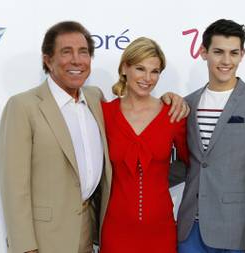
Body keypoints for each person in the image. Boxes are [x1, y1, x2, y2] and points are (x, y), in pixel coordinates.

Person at [0, 21, 188, 253]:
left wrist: (151, 180)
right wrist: (24, 247)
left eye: (155, 71)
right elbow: (14, 187)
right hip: (86, 232)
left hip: (123, 231)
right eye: (66, 52)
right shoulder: (100, 109)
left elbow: (191, 164)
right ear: (48, 60)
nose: (77, 60)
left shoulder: (95, 100)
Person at [176, 19, 245, 253]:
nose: (226, 61)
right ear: (203, 53)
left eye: (233, 53)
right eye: (218, 52)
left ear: (242, 54)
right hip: (189, 232)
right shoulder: (188, 103)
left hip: (237, 234)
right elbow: (189, 163)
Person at [100, 37, 189, 253]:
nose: (147, 78)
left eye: (155, 71)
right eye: (140, 68)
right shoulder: (104, 113)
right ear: (124, 68)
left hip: (161, 231)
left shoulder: (173, 114)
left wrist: (156, 177)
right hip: (115, 230)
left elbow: (191, 163)